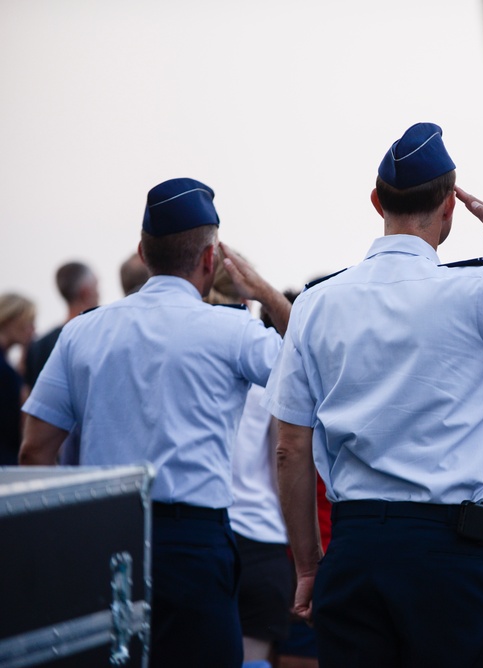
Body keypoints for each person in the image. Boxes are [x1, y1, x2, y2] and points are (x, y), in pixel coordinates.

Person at [264, 122, 483, 668]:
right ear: (450, 209)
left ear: (377, 201)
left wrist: (309, 567)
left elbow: (289, 448)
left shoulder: (316, 304)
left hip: (355, 549)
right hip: (447, 552)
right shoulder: (481, 293)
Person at [19, 177, 292, 668]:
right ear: (210, 260)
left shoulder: (81, 332)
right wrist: (264, 291)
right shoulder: (234, 331)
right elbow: (311, 364)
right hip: (194, 542)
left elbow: (34, 451)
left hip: (106, 537)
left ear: (143, 253)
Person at [206, 258, 294, 668]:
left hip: (203, 527)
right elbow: (284, 455)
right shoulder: (264, 360)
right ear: (247, 296)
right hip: (261, 535)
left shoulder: (196, 356)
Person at [23, 261, 100, 389]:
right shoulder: (96, 337)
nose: (99, 294)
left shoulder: (39, 345)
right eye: (97, 287)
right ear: (85, 292)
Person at [0, 293, 35, 465]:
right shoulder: (5, 373)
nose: (33, 329)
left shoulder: (9, 366)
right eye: (29, 322)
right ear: (9, 320)